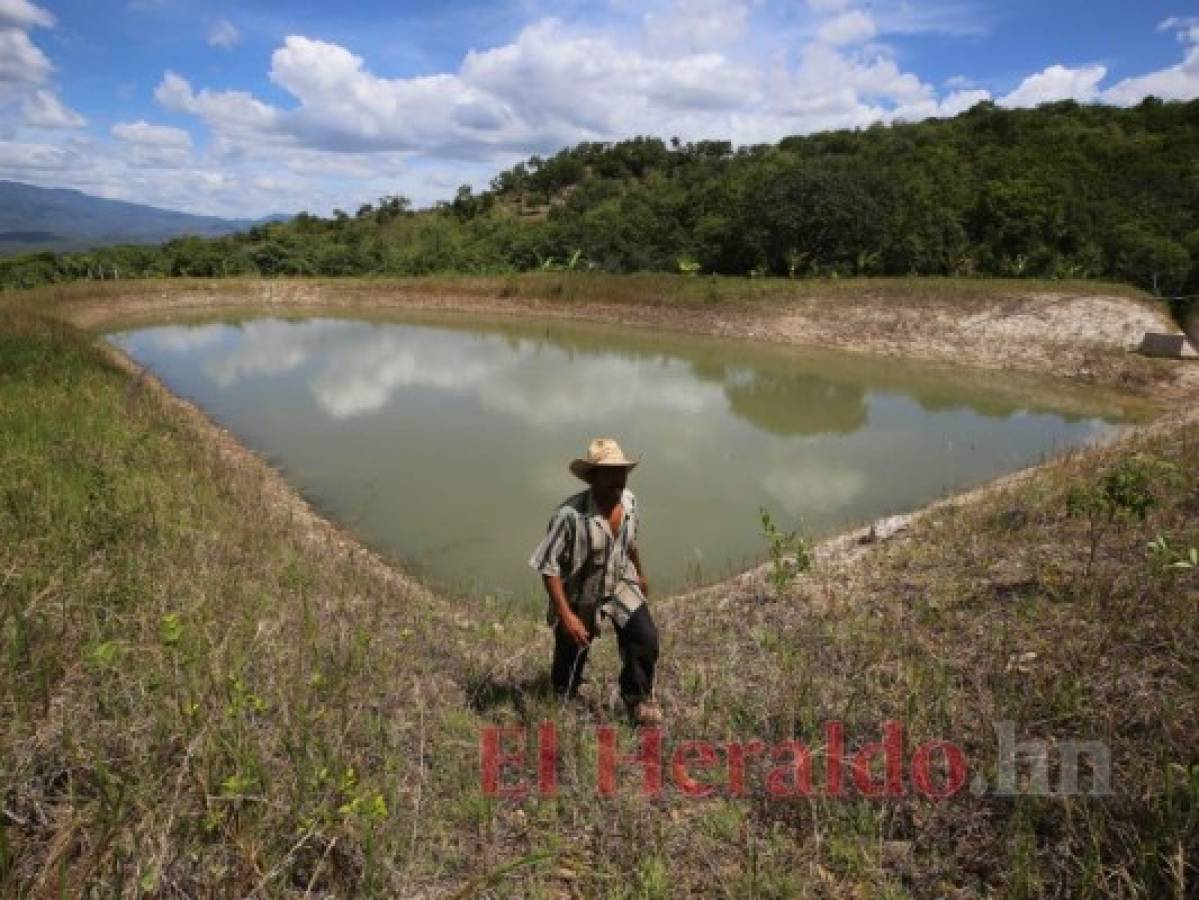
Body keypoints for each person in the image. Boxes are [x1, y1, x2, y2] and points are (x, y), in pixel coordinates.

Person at [529, 437, 662, 726]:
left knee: (645, 638)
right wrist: (567, 616)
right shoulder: (569, 516)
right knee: (571, 657)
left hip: (619, 581)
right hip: (581, 593)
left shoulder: (629, 502)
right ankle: (563, 698)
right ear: (592, 477)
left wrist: (639, 573)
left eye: (622, 471)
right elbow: (547, 567)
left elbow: (631, 542)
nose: (619, 478)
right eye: (610, 472)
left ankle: (635, 698)